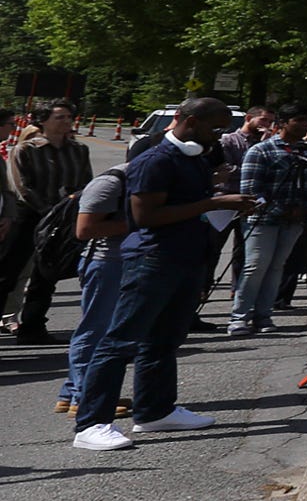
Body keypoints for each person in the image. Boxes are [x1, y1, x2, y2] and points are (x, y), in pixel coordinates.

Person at [73, 98, 253, 450]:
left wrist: (224, 207)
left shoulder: (195, 158)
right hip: (153, 260)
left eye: (223, 129)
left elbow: (187, 207)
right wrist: (212, 204)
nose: (218, 136)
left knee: (164, 340)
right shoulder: (155, 160)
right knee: (120, 341)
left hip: (186, 257)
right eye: (213, 128)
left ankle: (155, 411)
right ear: (186, 121)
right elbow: (145, 217)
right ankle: (92, 423)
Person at [230, 105, 307, 336]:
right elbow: (251, 190)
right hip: (262, 219)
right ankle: (239, 317)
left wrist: (305, 209)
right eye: (299, 120)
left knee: (277, 267)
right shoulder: (261, 150)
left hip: (295, 220)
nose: (305, 125)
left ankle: (264, 316)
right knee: (255, 266)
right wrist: (279, 209)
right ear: (283, 122)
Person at [5, 104, 95, 342]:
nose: (66, 121)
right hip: (30, 218)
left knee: (46, 275)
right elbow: (22, 187)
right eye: (60, 117)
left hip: (63, 220)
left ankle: (33, 327)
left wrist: (73, 209)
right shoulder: (25, 149)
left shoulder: (79, 150)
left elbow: (87, 183)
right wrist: (48, 211)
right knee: (8, 273)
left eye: (69, 117)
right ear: (42, 121)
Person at [56, 161, 132, 419]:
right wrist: (143, 219)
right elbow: (84, 230)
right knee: (94, 330)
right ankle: (83, 397)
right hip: (104, 264)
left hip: (118, 262)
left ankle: (70, 394)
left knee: (101, 328)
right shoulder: (110, 182)